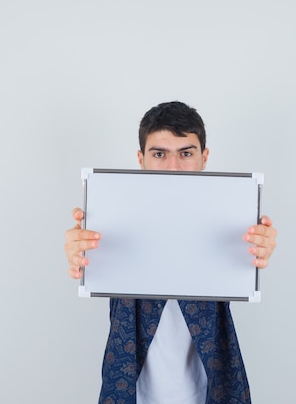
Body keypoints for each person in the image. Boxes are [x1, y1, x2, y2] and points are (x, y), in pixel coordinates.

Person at [64, 101, 278, 404]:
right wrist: (78, 250)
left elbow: (251, 251)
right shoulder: (113, 216)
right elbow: (87, 249)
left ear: (204, 158)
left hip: (210, 388)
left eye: (186, 153)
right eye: (159, 154)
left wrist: (261, 246)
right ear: (141, 159)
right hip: (131, 389)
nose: (173, 167)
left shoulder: (228, 215)